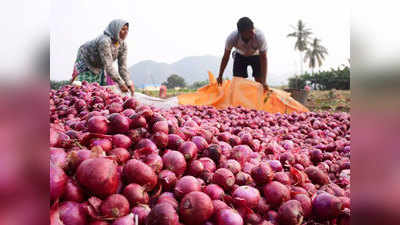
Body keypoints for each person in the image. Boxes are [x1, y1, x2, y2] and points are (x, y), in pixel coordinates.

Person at [70, 19, 135, 95]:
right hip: (86, 59)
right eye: (123, 29)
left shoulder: (123, 45)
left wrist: (128, 82)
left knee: (101, 90)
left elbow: (122, 66)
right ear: (116, 29)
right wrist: (121, 83)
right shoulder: (104, 41)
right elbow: (108, 65)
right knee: (84, 88)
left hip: (100, 63)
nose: (126, 32)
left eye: (127, 30)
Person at [217, 17, 269, 91]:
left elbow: (263, 58)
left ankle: (261, 98)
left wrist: (264, 81)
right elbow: (225, 57)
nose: (252, 33)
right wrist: (220, 76)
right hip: (240, 55)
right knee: (238, 83)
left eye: (252, 30)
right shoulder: (232, 38)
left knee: (260, 82)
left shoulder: (259, 36)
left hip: (256, 55)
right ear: (241, 33)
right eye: (249, 32)